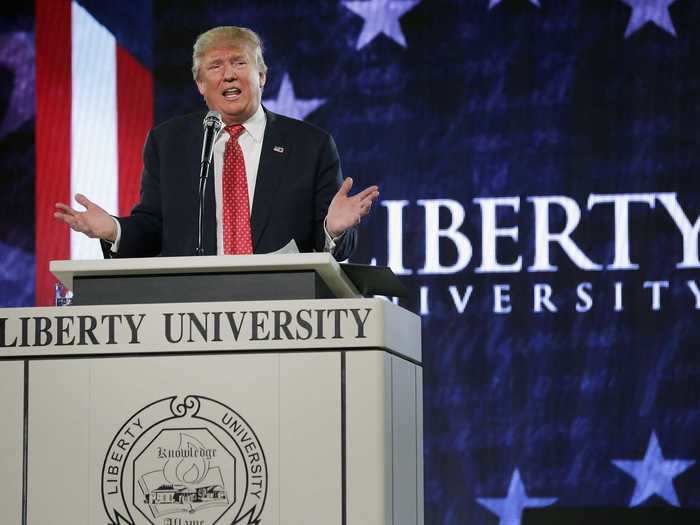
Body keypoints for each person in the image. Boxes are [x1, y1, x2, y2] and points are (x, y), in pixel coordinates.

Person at [54, 26, 378, 260]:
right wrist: (113, 229)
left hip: (284, 314)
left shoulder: (311, 146)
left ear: (261, 76)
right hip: (192, 314)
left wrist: (333, 230)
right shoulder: (168, 144)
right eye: (215, 66)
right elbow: (152, 229)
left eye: (239, 62)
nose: (229, 75)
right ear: (200, 84)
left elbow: (336, 250)